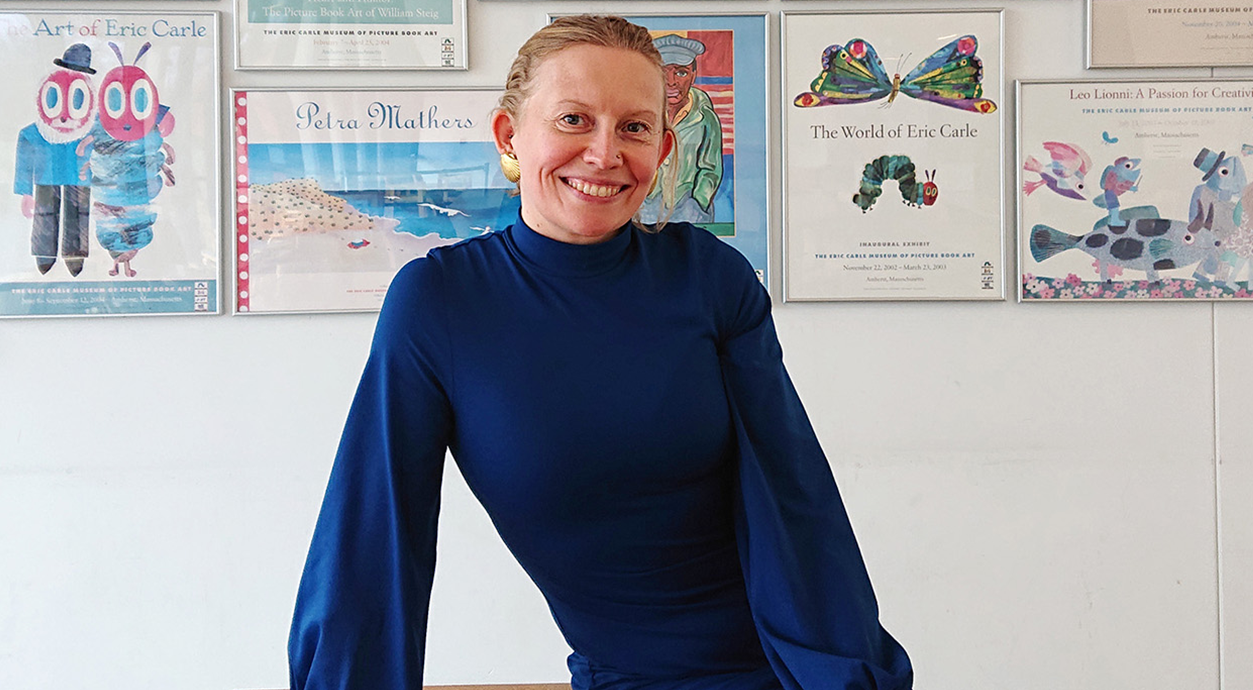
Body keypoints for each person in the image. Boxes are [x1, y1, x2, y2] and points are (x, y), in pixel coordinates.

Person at [288, 15, 913, 690]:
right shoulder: (440, 302)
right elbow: (372, 537)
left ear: (665, 147)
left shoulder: (712, 279)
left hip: (789, 671)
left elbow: (800, 507)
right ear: (509, 135)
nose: (604, 152)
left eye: (635, 127)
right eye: (573, 120)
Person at [639, 33, 725, 225]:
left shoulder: (705, 117)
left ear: (693, 75)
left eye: (681, 72)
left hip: (689, 212)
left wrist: (698, 202)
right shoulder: (637, 113)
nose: (671, 81)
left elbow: (710, 168)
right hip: (642, 211)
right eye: (664, 72)